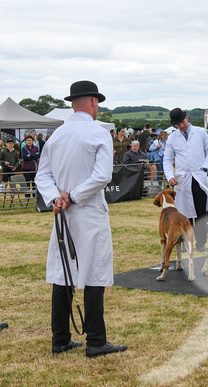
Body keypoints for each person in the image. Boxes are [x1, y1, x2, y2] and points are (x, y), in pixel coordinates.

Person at [35, 80, 127, 357]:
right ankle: (96, 341)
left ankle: (60, 339)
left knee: (63, 271)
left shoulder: (56, 136)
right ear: (93, 102)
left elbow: (43, 176)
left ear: (73, 103)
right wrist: (72, 197)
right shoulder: (99, 134)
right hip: (86, 211)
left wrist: (56, 197)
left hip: (63, 213)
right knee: (94, 271)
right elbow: (102, 176)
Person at [163, 108, 208, 252]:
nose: (182, 126)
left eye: (183, 122)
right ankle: (185, 241)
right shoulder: (172, 138)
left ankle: (201, 243)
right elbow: (167, 159)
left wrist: (205, 167)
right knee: (184, 213)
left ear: (187, 118)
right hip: (182, 179)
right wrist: (170, 176)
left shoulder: (200, 132)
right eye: (178, 124)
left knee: (200, 211)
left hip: (199, 177)